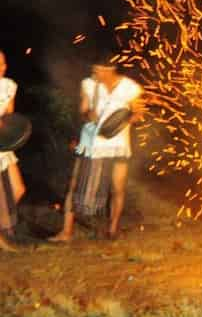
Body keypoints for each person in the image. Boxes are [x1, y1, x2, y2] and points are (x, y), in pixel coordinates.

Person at [50, 60, 143, 242]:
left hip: (118, 144)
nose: (94, 73)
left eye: (97, 69)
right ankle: (67, 232)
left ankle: (112, 229)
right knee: (75, 185)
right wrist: (88, 115)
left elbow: (138, 113)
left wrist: (121, 122)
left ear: (109, 69)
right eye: (93, 69)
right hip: (92, 143)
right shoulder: (89, 84)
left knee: (118, 187)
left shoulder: (129, 87)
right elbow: (83, 111)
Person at [0, 50, 27, 252]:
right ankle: (3, 241)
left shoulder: (8, 86)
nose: (1, 68)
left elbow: (9, 118)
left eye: (3, 63)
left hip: (3, 147)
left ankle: (3, 231)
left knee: (18, 190)